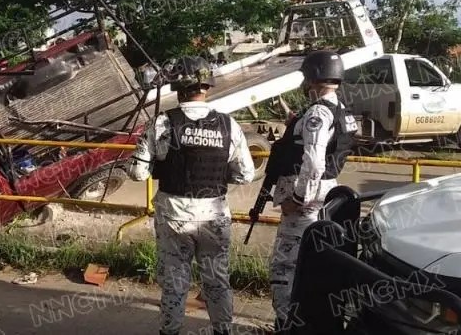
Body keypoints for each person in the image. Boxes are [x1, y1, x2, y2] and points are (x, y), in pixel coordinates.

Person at [128, 56, 256, 335]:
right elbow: (246, 174)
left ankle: (170, 331)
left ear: (177, 86)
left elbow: (137, 173)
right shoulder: (229, 125)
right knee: (217, 281)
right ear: (207, 85)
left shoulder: (162, 123)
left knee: (174, 282)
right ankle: (223, 330)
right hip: (214, 215)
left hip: (174, 215)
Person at [257, 50, 358, 331]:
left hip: (304, 205)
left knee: (284, 271)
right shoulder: (340, 109)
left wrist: (297, 198)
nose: (304, 83)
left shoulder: (317, 112)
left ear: (313, 78)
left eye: (305, 77)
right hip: (324, 197)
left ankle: (287, 325)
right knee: (310, 268)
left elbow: (313, 161)